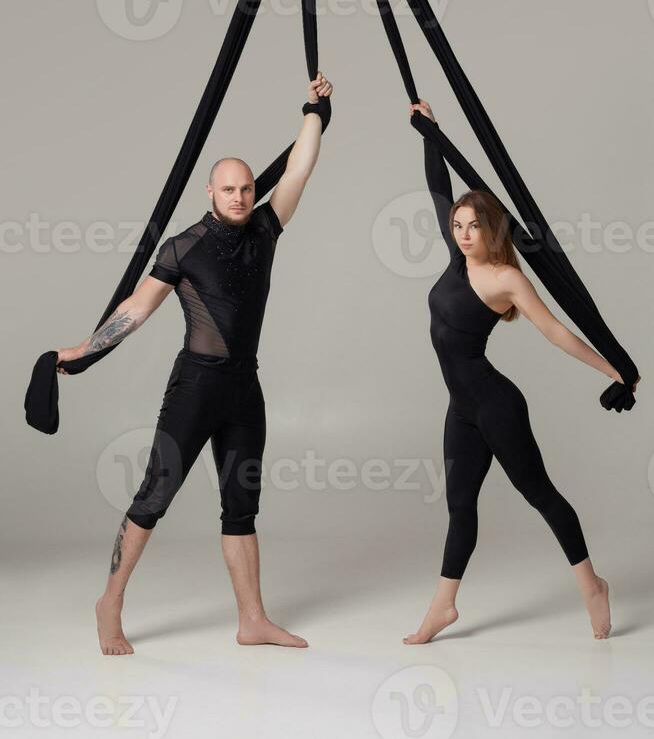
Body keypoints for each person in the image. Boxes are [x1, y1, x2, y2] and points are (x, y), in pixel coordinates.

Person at [56, 72, 334, 655]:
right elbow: (137, 308)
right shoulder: (182, 247)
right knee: (156, 494)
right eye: (228, 189)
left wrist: (313, 111)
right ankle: (110, 601)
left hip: (244, 390)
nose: (238, 196)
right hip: (195, 388)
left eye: (245, 188)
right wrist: (83, 351)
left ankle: (252, 620)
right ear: (210, 192)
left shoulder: (265, 227)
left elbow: (302, 167)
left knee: (243, 504)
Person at [402, 99, 640, 644]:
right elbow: (438, 189)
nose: (462, 233)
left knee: (541, 495)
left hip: (495, 404)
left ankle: (591, 586)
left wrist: (614, 369)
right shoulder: (455, 257)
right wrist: (429, 134)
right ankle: (443, 607)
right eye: (458, 225)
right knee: (460, 506)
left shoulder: (506, 279)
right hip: (461, 409)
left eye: (473, 226)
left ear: (492, 230)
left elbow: (556, 331)